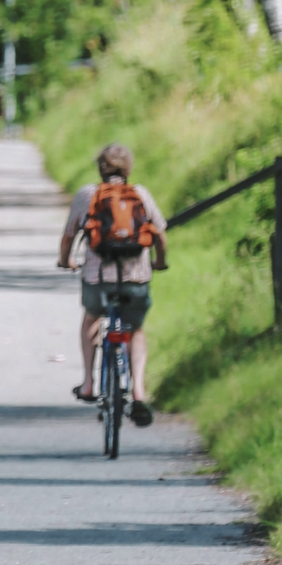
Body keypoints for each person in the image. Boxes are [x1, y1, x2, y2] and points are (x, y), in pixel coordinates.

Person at [57, 143, 167, 427]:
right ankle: (139, 392)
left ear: (100, 168)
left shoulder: (87, 194)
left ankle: (89, 383)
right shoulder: (140, 194)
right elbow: (159, 233)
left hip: (97, 280)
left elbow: (70, 234)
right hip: (136, 279)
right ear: (128, 168)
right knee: (136, 330)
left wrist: (65, 261)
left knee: (91, 319)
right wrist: (160, 262)